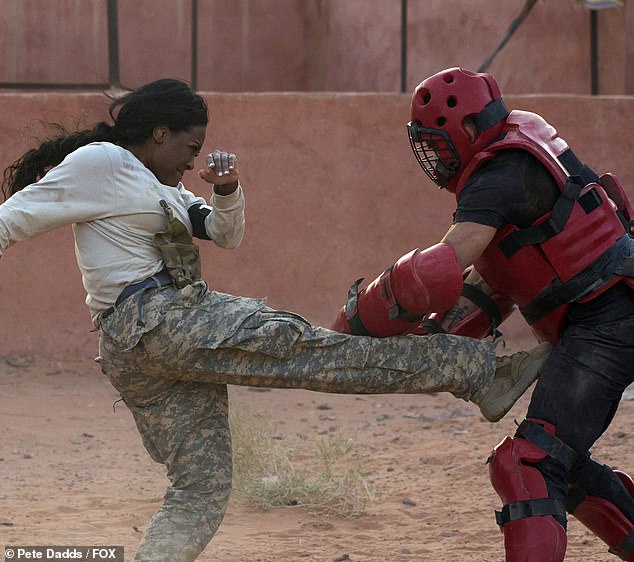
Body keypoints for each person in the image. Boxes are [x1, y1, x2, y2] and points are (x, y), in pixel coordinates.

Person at [0, 78, 550, 562]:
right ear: (161, 132)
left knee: (202, 487)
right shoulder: (102, 162)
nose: (192, 161)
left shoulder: (158, 186)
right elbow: (12, 219)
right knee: (306, 346)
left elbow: (222, 234)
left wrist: (225, 189)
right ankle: (478, 374)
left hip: (137, 348)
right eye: (190, 148)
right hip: (159, 320)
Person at [332, 67, 634, 561]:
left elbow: (435, 272)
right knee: (563, 463)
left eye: (437, 140)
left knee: (528, 465)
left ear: (468, 127)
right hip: (606, 311)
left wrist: (357, 324)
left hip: (605, 322)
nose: (432, 154)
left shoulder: (498, 173)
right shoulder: (516, 147)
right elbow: (498, 281)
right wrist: (433, 341)